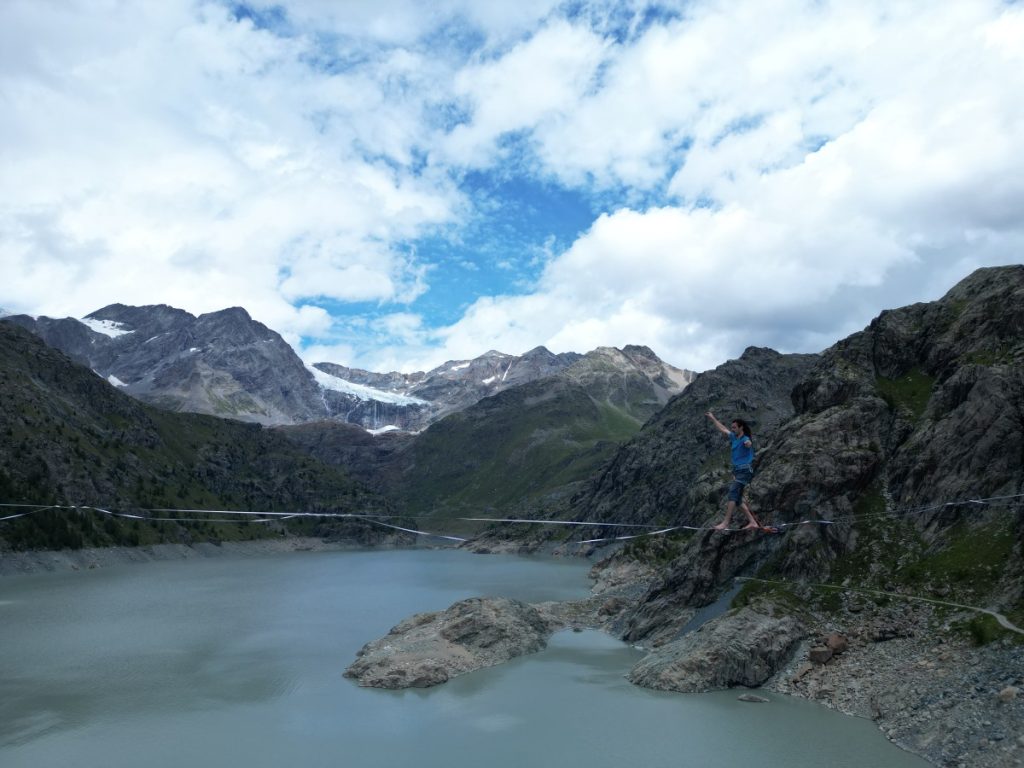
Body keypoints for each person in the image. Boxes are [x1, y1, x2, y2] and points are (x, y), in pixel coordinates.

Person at [706, 411, 762, 531]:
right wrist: (713, 418)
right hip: (737, 471)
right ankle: (753, 522)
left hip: (744, 470)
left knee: (732, 493)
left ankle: (725, 522)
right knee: (737, 500)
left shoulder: (745, 439)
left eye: (734, 427)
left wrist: (748, 443)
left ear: (741, 427)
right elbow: (723, 429)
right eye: (732, 428)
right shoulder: (734, 438)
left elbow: (748, 443)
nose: (732, 429)